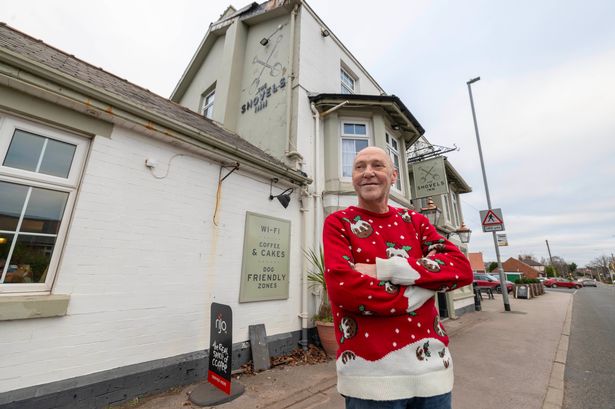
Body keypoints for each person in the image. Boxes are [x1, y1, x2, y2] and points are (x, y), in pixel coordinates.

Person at [323, 146, 473, 409]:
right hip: (370, 382)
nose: (367, 172)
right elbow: (345, 290)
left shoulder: (415, 222)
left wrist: (385, 270)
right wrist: (425, 286)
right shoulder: (339, 223)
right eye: (359, 167)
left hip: (433, 376)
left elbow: (460, 268)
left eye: (377, 165)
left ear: (393, 176)